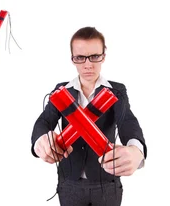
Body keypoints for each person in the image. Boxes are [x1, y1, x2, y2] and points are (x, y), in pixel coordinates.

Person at [30, 26, 147, 206]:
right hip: (69, 183)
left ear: (103, 56)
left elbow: (128, 122)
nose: (88, 64)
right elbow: (44, 122)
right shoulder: (61, 91)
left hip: (107, 183)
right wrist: (40, 142)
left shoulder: (116, 91)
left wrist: (136, 150)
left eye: (94, 56)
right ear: (73, 59)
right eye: (80, 57)